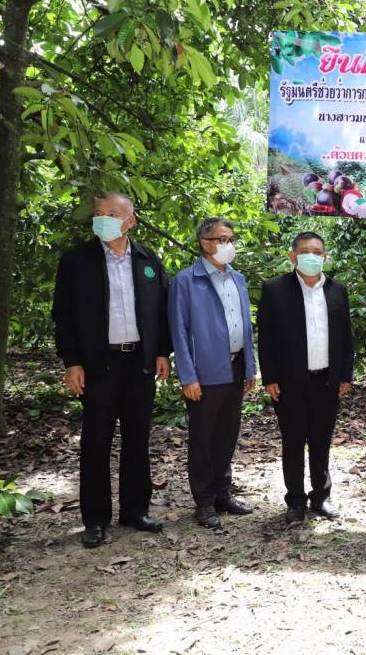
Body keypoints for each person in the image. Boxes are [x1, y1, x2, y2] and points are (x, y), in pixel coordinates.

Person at [51, 192, 171, 548]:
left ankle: (135, 510)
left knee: (137, 438)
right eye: (99, 213)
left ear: (130, 221)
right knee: (96, 441)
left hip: (140, 364)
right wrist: (71, 361)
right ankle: (95, 519)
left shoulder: (148, 259)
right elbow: (63, 316)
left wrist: (162, 352)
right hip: (97, 365)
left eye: (112, 213)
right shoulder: (77, 261)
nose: (103, 219)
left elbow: (162, 311)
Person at [257, 232, 354, 523]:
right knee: (293, 442)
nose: (312, 256)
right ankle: (295, 500)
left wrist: (345, 374)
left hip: (327, 381)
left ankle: (321, 497)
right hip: (289, 382)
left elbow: (345, 337)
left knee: (322, 441)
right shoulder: (275, 289)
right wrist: (269, 376)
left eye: (317, 251)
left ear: (325, 256)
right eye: (305, 251)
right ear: (293, 256)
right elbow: (266, 338)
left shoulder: (337, 290)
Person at [169, 218, 256, 530]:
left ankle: (222, 493)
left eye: (231, 239)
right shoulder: (186, 281)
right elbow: (179, 332)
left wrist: (250, 366)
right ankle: (204, 501)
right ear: (205, 243)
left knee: (227, 434)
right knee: (203, 439)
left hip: (235, 365)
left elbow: (245, 325)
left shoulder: (237, 278)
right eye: (221, 239)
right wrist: (188, 376)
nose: (228, 245)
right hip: (204, 372)